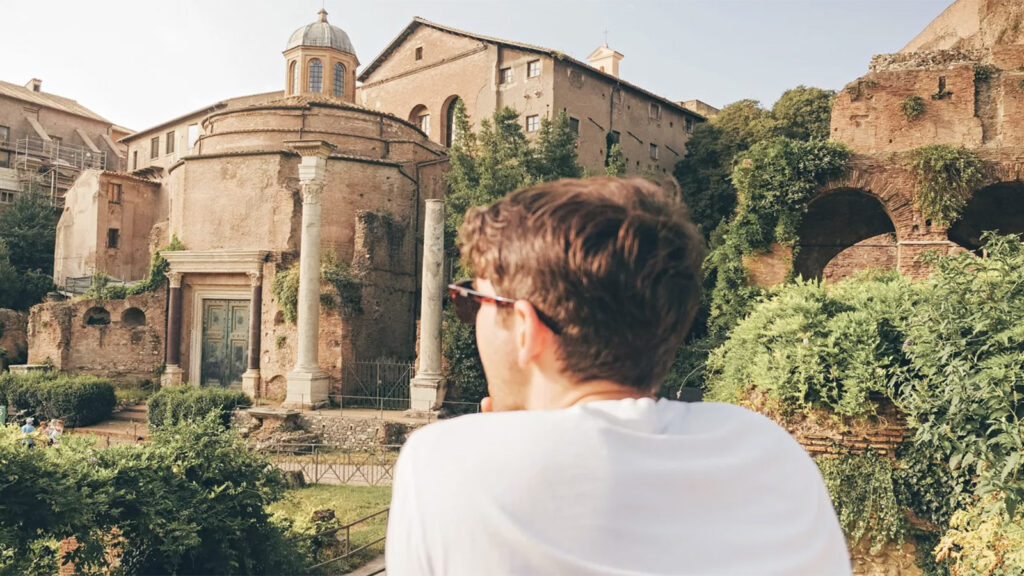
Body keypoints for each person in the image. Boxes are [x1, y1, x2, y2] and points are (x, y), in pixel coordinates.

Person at [385, 177, 852, 575]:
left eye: (473, 301)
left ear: (525, 327)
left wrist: (491, 445)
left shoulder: (442, 463)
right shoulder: (770, 452)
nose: (470, 317)